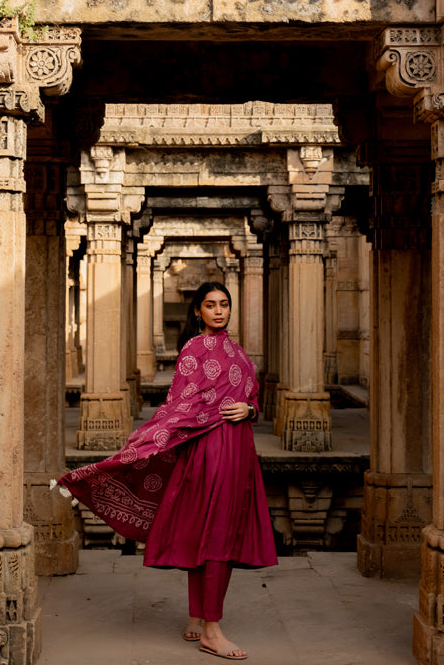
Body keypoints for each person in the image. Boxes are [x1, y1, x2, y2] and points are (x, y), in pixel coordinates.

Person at [55, 281, 277, 659]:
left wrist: (250, 411)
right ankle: (212, 629)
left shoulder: (238, 353)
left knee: (210, 531)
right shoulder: (193, 349)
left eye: (224, 304)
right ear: (197, 311)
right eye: (211, 305)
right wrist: (147, 439)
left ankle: (196, 617)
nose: (219, 311)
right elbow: (181, 405)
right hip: (207, 451)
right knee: (214, 532)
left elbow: (250, 398)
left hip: (238, 449)